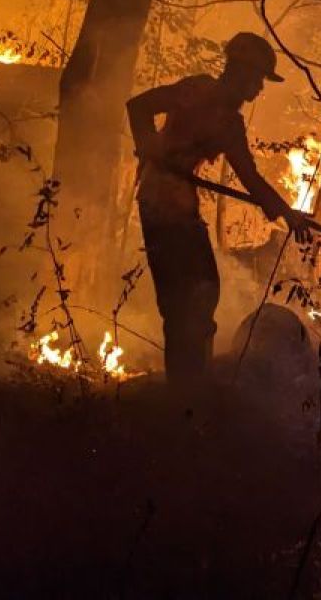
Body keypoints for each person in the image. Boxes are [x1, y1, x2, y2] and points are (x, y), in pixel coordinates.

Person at [126, 31, 311, 390]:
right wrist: (149, 147)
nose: (258, 89)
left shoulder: (230, 125)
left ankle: (196, 383)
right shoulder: (195, 90)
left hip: (181, 208)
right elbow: (138, 107)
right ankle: (186, 390)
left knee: (205, 292)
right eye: (257, 80)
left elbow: (250, 178)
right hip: (160, 206)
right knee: (180, 304)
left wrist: (287, 212)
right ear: (240, 73)